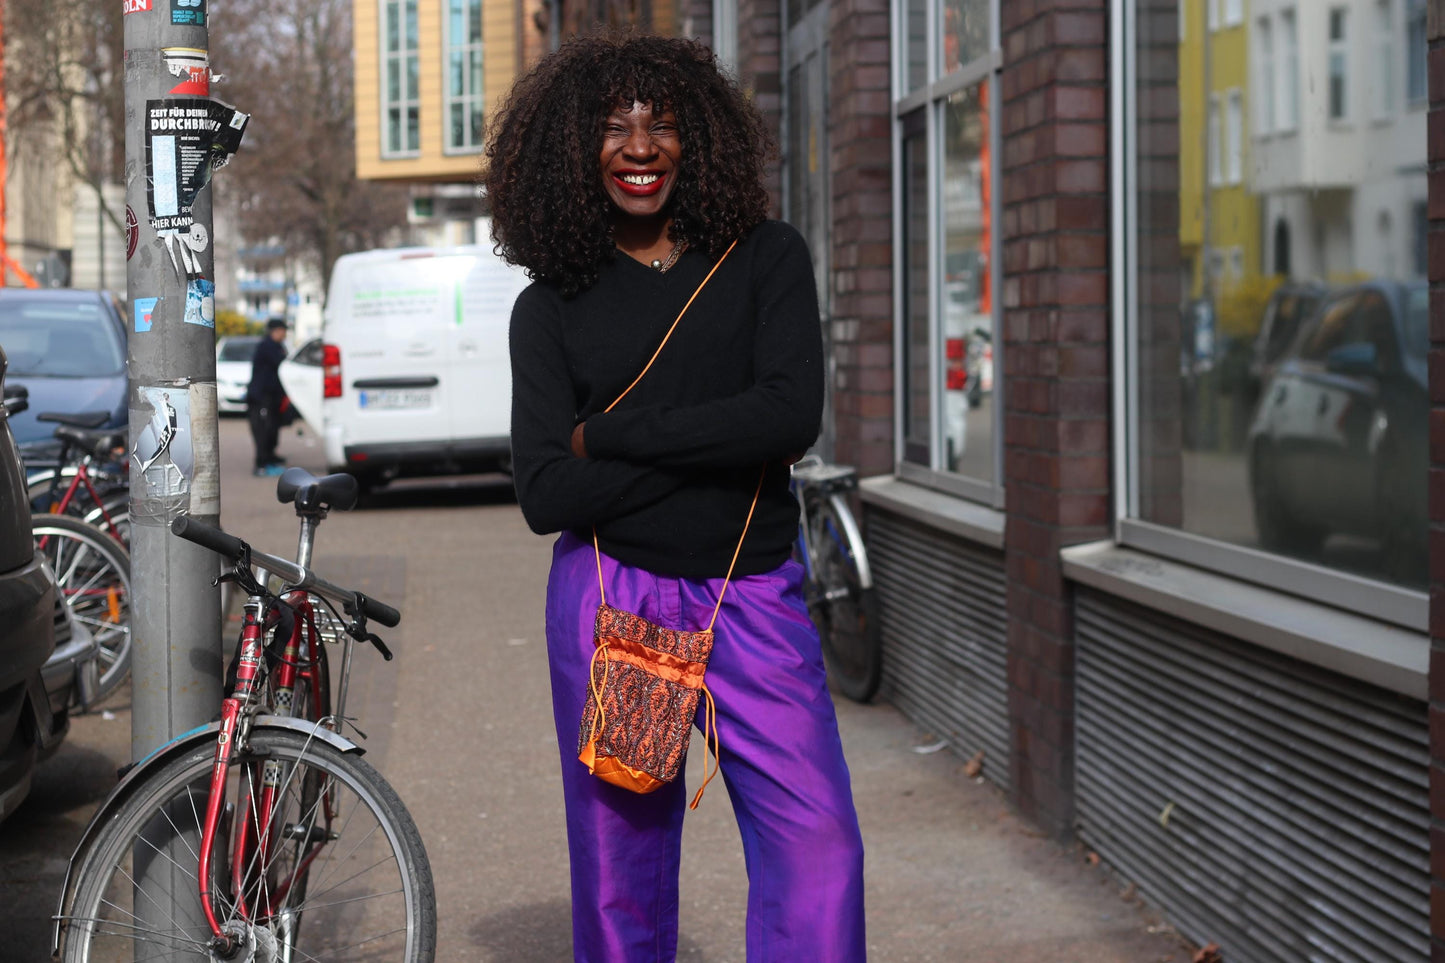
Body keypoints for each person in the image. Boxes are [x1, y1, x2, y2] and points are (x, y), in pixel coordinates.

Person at [486, 34, 866, 962]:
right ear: (575, 151)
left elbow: (787, 418)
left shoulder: (765, 258)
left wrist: (611, 435)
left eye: (661, 125)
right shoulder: (550, 307)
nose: (639, 146)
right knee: (624, 871)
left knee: (819, 847)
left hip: (752, 598)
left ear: (699, 139)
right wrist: (718, 437)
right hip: (621, 606)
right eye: (613, 128)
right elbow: (545, 490)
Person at [246, 317, 288, 476]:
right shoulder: (267, 347)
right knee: (263, 430)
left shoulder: (278, 346)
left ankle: (270, 457)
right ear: (275, 331)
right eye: (283, 331)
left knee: (272, 428)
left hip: (271, 397)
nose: (285, 334)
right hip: (260, 397)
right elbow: (282, 363)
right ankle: (261, 465)